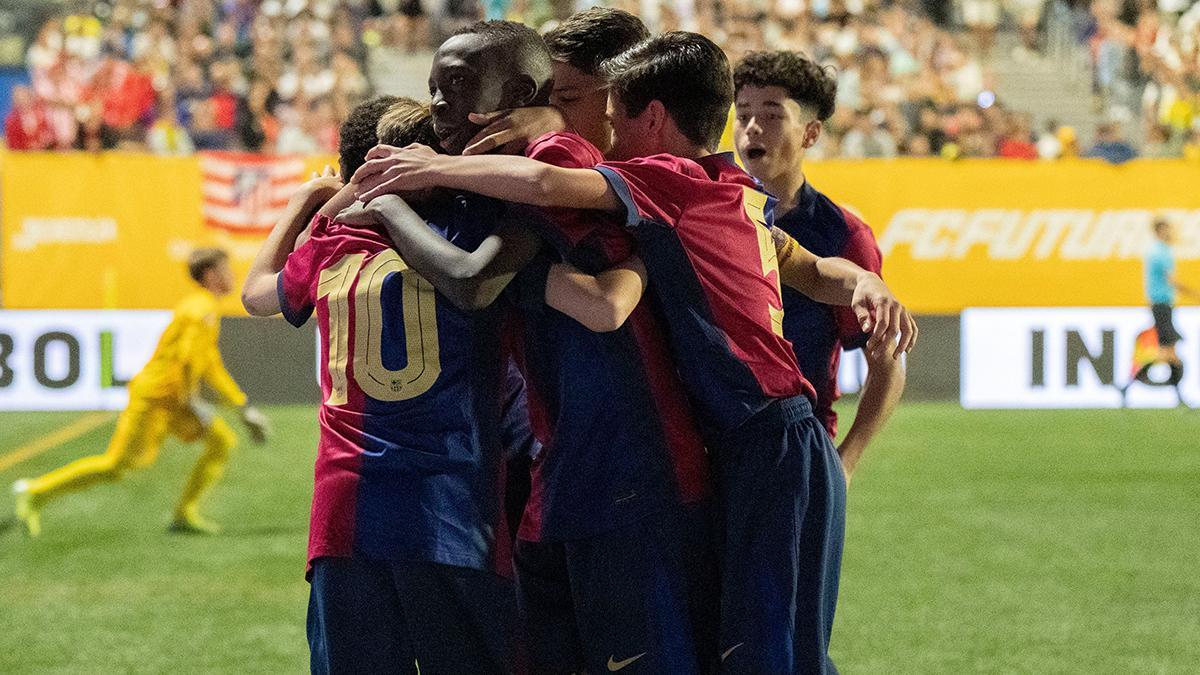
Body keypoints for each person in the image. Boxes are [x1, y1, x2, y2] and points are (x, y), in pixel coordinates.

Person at [353, 31, 917, 673]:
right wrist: (863, 279)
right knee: (748, 651)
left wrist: (430, 167)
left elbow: (543, 182)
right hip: (743, 445)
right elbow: (813, 271)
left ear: (649, 116)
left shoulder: (666, 179)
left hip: (771, 441)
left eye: (606, 108)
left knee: (774, 656)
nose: (605, 130)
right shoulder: (726, 186)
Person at [344, 18, 717, 673]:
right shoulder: (517, 166)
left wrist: (390, 202)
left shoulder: (561, 162)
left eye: (568, 97)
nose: (438, 103)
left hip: (630, 474)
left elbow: (480, 279)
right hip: (564, 473)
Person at [732, 50, 908, 481]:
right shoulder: (709, 211)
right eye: (742, 114)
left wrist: (846, 461)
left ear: (810, 133)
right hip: (709, 454)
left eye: (771, 115)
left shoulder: (843, 235)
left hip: (794, 457)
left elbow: (888, 361)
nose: (752, 127)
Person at [13, 249, 270, 537]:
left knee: (221, 442)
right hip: (157, 398)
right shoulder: (201, 310)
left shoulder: (203, 307)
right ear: (211, 275)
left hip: (174, 399)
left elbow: (208, 363)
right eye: (227, 270)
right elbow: (188, 360)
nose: (233, 276)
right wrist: (195, 402)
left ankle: (185, 513)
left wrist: (240, 404)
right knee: (117, 465)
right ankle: (35, 492)